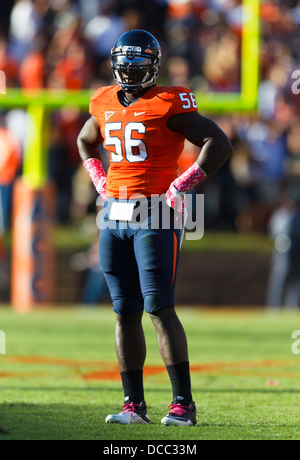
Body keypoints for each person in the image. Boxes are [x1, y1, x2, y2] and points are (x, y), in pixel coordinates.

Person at [77, 29, 233, 426]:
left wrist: (182, 184)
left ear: (153, 67)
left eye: (137, 65)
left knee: (159, 306)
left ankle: (183, 405)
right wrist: (98, 177)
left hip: (156, 212)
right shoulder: (102, 99)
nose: (129, 73)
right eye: (124, 65)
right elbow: (85, 140)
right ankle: (134, 406)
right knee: (124, 310)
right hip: (114, 211)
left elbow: (219, 143)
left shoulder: (169, 101)